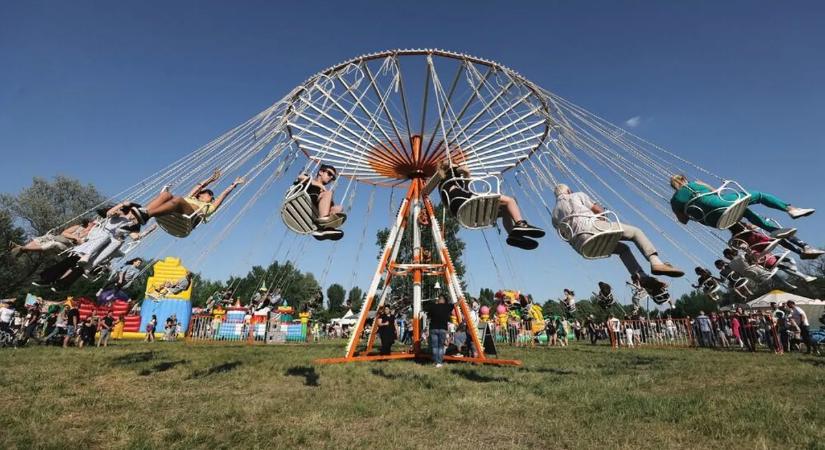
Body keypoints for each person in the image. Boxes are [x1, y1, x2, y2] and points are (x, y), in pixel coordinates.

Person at [552, 184, 682, 298]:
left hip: (581, 246)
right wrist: (603, 217)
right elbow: (599, 210)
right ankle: (656, 262)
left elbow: (563, 234)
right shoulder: (576, 195)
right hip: (593, 228)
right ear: (568, 191)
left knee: (623, 249)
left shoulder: (554, 214)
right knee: (636, 232)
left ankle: (641, 276)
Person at [429, 159, 545, 250]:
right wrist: (462, 169)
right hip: (466, 202)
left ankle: (513, 235)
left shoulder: (444, 183)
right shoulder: (452, 172)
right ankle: (521, 223)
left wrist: (466, 176)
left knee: (506, 209)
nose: (456, 164)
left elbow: (466, 188)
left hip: (461, 210)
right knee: (510, 201)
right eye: (454, 163)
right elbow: (464, 172)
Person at [669, 174, 815, 232]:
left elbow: (683, 221)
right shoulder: (695, 184)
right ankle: (790, 209)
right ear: (684, 180)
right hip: (722, 206)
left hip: (714, 221)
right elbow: (717, 192)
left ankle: (774, 231)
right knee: (759, 195)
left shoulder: (674, 202)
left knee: (744, 211)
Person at [130, 169, 244, 230]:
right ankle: (143, 214)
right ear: (201, 195)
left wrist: (234, 184)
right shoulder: (191, 197)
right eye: (209, 194)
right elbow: (199, 186)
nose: (211, 197)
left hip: (190, 218)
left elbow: (223, 194)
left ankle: (148, 214)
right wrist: (211, 179)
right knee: (166, 194)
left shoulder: (210, 206)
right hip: (176, 210)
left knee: (178, 199)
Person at [291, 164, 346, 241]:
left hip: (314, 213)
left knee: (338, 208)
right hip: (301, 203)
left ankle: (324, 229)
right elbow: (300, 177)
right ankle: (324, 225)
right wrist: (319, 185)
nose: (330, 178)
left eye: (332, 177)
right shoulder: (309, 179)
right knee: (328, 193)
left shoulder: (324, 191)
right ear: (320, 172)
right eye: (329, 174)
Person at [9, 218, 96, 257]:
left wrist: (77, 239)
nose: (94, 224)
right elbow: (64, 233)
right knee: (45, 237)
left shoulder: (91, 234)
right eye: (93, 222)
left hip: (67, 246)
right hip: (59, 238)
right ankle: (22, 249)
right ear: (89, 223)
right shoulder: (78, 227)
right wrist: (76, 237)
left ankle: (21, 248)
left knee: (53, 244)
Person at [426, 295, 453, 367]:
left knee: (434, 346)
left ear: (438, 300)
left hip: (433, 329)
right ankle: (439, 362)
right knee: (440, 346)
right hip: (442, 329)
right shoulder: (446, 306)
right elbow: (455, 305)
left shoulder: (433, 306)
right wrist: (460, 299)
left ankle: (435, 360)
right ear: (443, 300)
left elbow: (428, 316)